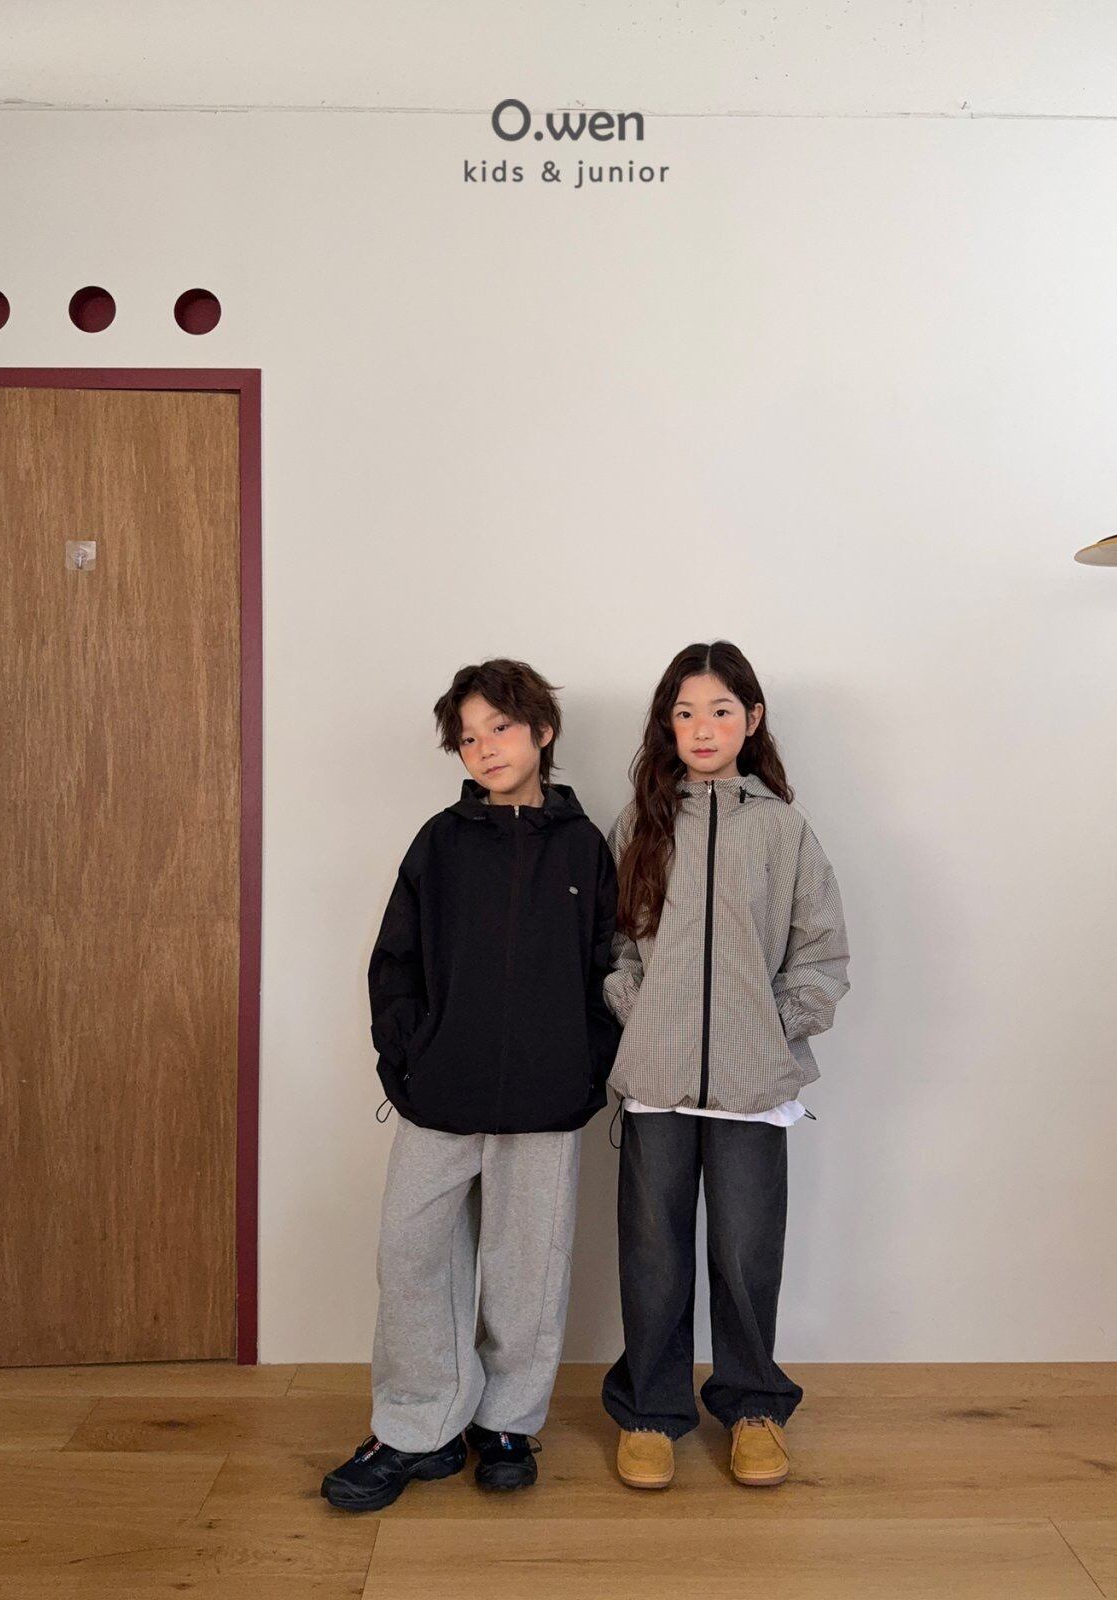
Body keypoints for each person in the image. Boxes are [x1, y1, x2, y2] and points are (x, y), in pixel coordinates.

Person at [321, 658, 620, 1512]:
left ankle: (506, 1425)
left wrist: (584, 1071)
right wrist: (409, 1061)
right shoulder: (440, 844)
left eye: (500, 727)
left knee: (528, 1270)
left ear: (543, 732)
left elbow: (607, 970)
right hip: (440, 1095)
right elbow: (395, 962)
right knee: (413, 1256)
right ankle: (417, 1427)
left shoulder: (584, 848)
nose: (484, 747)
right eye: (467, 737)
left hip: (545, 1101)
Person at [601, 640, 849, 1490]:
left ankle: (752, 1407)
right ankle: (651, 1412)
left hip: (752, 1086)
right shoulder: (640, 824)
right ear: (666, 725)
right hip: (657, 1083)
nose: (701, 728)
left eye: (718, 710)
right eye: (684, 712)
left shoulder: (783, 830)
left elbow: (821, 952)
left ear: (752, 718)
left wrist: (772, 1032)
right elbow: (613, 948)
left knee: (746, 1256)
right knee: (653, 1256)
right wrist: (641, 1017)